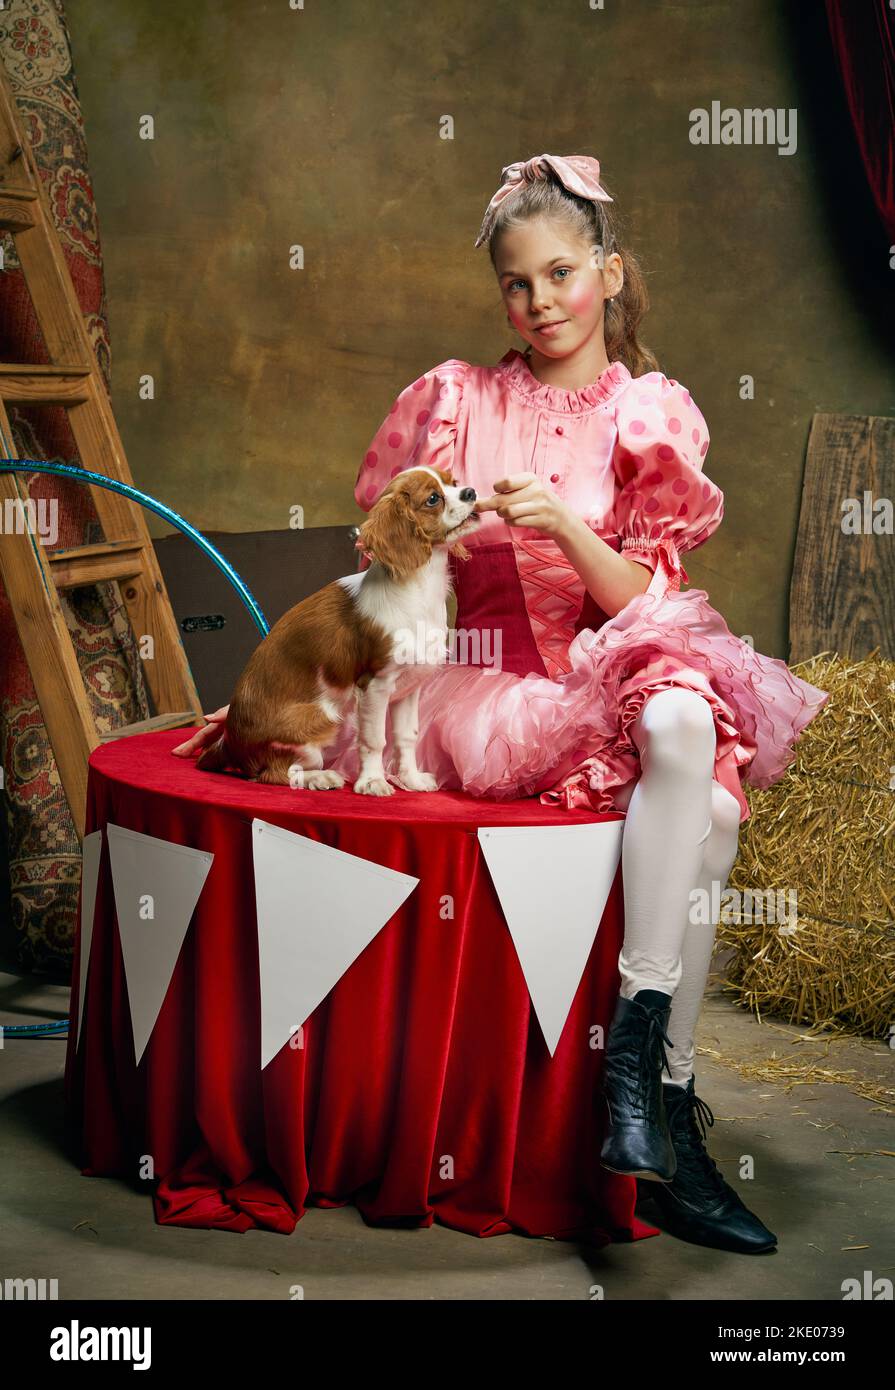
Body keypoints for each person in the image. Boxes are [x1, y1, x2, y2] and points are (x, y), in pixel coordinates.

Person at [174, 153, 830, 1255]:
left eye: (564, 274)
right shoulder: (456, 400)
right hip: (479, 679)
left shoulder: (646, 411)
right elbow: (389, 561)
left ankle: (634, 1063)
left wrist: (566, 529)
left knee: (679, 721)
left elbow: (639, 599)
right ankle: (666, 1101)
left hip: (609, 658)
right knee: (709, 819)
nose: (542, 304)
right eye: (517, 285)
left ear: (610, 275)